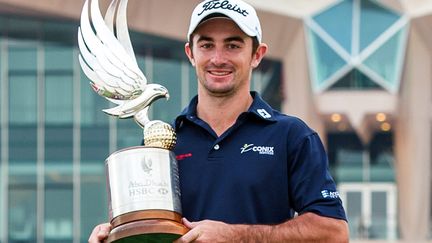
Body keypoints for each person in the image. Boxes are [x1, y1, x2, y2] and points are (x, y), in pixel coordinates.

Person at [89, 0, 349, 242]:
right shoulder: (164, 143)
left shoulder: (291, 135)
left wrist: (236, 236)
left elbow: (334, 232)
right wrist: (113, 236)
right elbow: (150, 231)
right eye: (206, 45)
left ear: (257, 54)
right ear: (191, 53)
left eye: (233, 45)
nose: (218, 58)